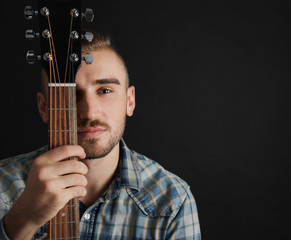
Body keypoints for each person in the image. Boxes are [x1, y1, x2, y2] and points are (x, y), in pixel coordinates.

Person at [0, 31, 201, 239]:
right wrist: (24, 219)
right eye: (71, 94)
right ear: (44, 108)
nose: (90, 112)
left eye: (105, 90)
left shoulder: (173, 201)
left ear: (129, 101)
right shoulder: (2, 186)